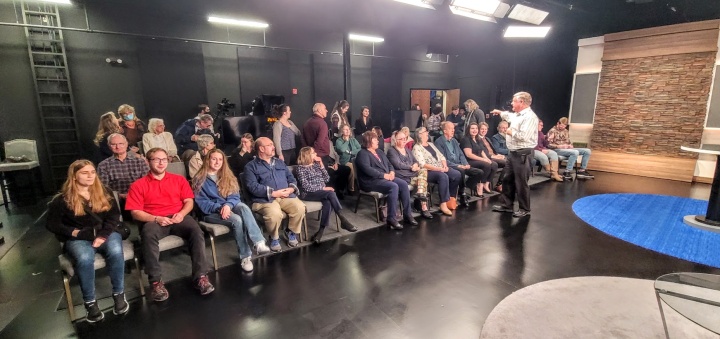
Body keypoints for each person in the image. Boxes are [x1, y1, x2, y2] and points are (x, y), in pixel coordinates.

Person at [125, 148, 214, 301]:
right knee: (147, 234)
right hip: (154, 219)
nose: (161, 163)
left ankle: (200, 276)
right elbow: (135, 212)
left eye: (164, 159)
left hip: (178, 216)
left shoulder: (178, 179)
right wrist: (156, 218)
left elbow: (189, 202)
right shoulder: (138, 185)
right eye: (156, 159)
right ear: (147, 161)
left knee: (196, 231)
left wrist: (181, 214)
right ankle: (156, 282)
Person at [45, 160, 128, 322]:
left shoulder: (105, 191)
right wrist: (75, 232)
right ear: (74, 176)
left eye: (92, 172)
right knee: (84, 258)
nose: (90, 176)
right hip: (79, 238)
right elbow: (52, 224)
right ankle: (90, 303)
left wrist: (102, 236)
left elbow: (113, 218)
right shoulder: (63, 199)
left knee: (116, 251)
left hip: (106, 232)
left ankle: (119, 294)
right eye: (84, 172)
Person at [192, 149, 271, 273]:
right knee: (237, 220)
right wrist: (220, 208)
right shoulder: (199, 178)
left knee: (243, 207)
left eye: (220, 159)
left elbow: (235, 196)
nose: (217, 162)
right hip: (210, 212)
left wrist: (228, 205)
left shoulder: (227, 175)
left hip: (228, 206)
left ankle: (259, 242)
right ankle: (245, 257)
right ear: (207, 160)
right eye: (214, 159)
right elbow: (202, 203)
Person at [244, 137, 305, 251]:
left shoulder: (279, 162)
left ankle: (291, 231)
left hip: (285, 196)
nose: (274, 147)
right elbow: (252, 186)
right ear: (261, 149)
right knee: (274, 214)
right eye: (270, 145)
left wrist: (291, 189)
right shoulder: (250, 166)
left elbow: (291, 178)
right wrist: (273, 193)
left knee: (300, 207)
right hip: (264, 199)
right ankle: (274, 237)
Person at [490, 91, 540, 218]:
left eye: (514, 101)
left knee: (521, 182)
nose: (511, 103)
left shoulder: (530, 117)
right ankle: (507, 205)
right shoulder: (518, 115)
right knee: (507, 179)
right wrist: (500, 112)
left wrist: (509, 131)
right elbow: (509, 116)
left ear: (521, 102)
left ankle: (524, 208)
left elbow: (524, 136)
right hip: (513, 153)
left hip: (522, 154)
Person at [355, 131, 417, 229]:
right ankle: (391, 218)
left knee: (403, 184)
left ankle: (407, 214)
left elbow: (389, 164)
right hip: (370, 181)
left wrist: (392, 172)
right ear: (368, 141)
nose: (377, 141)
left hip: (384, 177)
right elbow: (368, 170)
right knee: (393, 186)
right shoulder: (362, 154)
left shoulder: (379, 151)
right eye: (375, 139)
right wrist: (384, 175)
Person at [295, 147, 356, 244]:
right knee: (331, 193)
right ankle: (342, 219)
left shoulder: (316, 165)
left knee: (328, 202)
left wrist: (322, 165)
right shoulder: (300, 168)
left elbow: (327, 179)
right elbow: (306, 187)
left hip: (321, 193)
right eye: (313, 153)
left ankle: (320, 232)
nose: (316, 154)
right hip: (308, 194)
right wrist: (323, 188)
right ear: (307, 155)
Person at [388, 130, 442, 218]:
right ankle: (424, 208)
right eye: (401, 139)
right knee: (423, 181)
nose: (404, 140)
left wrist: (415, 165)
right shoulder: (391, 151)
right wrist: (411, 167)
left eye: (405, 138)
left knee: (423, 173)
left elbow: (415, 161)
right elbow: (397, 164)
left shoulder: (407, 150)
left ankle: (420, 194)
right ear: (396, 140)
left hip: (412, 175)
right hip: (403, 177)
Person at [302, 103, 350, 198]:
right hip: (320, 157)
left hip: (311, 156)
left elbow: (302, 139)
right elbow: (319, 142)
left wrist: (308, 154)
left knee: (318, 178)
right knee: (325, 178)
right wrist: (314, 155)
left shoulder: (307, 122)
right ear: (319, 110)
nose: (327, 110)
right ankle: (330, 198)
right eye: (325, 108)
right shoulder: (322, 123)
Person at [434, 122, 482, 207]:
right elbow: (442, 159)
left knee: (479, 172)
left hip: (460, 165)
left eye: (453, 128)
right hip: (450, 166)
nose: (453, 130)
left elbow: (461, 154)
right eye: (450, 129)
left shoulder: (454, 141)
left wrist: (465, 163)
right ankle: (462, 193)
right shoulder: (439, 142)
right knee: (461, 171)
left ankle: (462, 188)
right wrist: (458, 166)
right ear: (445, 131)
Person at [412, 127, 459, 214]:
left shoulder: (431, 144)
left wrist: (444, 166)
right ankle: (443, 204)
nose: (427, 133)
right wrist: (439, 169)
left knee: (456, 174)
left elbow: (441, 156)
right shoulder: (417, 147)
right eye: (425, 131)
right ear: (420, 135)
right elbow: (422, 164)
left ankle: (451, 199)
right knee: (443, 176)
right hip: (427, 171)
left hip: (440, 167)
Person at [98, 133, 149, 199]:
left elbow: (147, 183)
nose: (117, 147)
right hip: (116, 201)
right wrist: (121, 196)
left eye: (121, 143)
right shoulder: (103, 165)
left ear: (126, 144)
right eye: (113, 144)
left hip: (140, 198)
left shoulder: (140, 162)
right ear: (109, 146)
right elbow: (104, 189)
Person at [461, 122, 498, 197]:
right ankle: (479, 186)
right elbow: (469, 154)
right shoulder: (466, 139)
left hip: (478, 160)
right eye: (472, 128)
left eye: (476, 128)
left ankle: (486, 184)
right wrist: (483, 160)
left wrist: (487, 159)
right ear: (468, 129)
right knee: (486, 165)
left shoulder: (478, 138)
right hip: (469, 161)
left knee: (493, 164)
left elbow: (481, 151)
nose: (474, 130)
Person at [477, 122, 507, 189]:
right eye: (482, 129)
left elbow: (494, 151)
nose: (484, 131)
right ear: (478, 129)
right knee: (508, 163)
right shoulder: (477, 139)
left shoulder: (487, 138)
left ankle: (503, 183)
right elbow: (481, 152)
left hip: (494, 156)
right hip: (487, 158)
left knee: (511, 161)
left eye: (485, 129)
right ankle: (499, 184)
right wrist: (494, 156)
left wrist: (499, 155)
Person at [335, 124, 361, 192]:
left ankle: (362, 186)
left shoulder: (353, 140)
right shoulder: (339, 141)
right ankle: (351, 189)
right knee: (351, 167)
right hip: (345, 161)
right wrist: (346, 141)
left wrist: (351, 152)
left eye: (348, 129)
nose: (348, 131)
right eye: (345, 129)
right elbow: (342, 150)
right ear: (341, 131)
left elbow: (359, 149)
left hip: (355, 159)